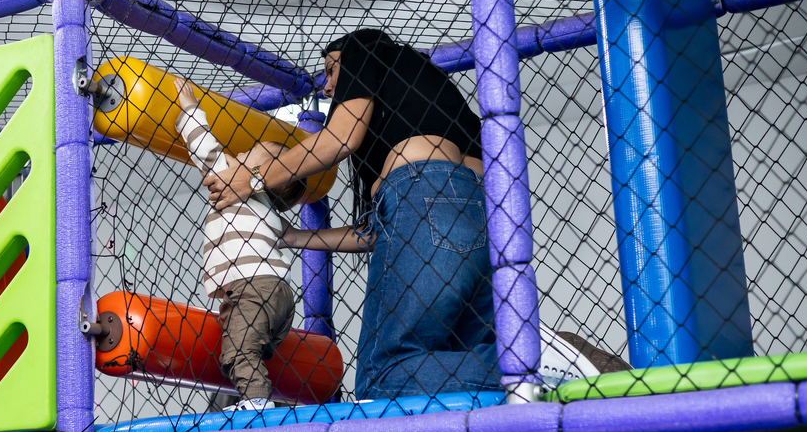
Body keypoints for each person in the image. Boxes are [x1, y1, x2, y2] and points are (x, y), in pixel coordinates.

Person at [205, 29, 625, 400]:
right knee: (448, 365)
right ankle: (548, 365)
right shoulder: (424, 100)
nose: (330, 87)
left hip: (425, 198)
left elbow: (339, 139)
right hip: (485, 216)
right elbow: (376, 233)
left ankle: (540, 360)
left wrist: (253, 179)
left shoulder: (365, 54)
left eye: (330, 73)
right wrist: (292, 238)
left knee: (384, 376)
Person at [173, 78, 307, 411]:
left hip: (253, 287)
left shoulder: (238, 186)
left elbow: (205, 149)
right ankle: (259, 399)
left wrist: (189, 109)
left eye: (249, 154)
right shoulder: (269, 210)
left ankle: (258, 405)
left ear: (260, 176)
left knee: (238, 352)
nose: (239, 153)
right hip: (278, 295)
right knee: (247, 352)